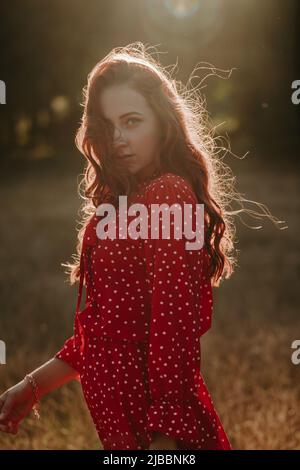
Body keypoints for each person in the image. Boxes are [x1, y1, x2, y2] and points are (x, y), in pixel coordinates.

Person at [0, 42, 281, 450]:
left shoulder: (167, 194)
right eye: (107, 125)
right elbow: (103, 328)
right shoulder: (121, 201)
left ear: (163, 122)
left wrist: (166, 440)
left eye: (132, 121)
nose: (117, 139)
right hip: (123, 426)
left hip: (158, 432)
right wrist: (31, 388)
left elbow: (174, 327)